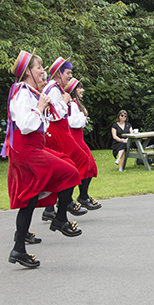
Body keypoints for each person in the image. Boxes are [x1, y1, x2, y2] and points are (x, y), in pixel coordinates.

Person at [4, 50, 82, 268]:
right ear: (28, 72)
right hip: (27, 151)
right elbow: (26, 124)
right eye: (39, 67)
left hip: (32, 148)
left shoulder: (29, 92)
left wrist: (42, 108)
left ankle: (18, 249)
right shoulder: (21, 93)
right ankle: (60, 219)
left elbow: (40, 124)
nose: (43, 71)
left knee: (30, 199)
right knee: (70, 171)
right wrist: (40, 107)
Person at [42, 57, 89, 220]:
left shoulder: (55, 87)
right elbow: (54, 115)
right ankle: (66, 201)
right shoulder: (53, 89)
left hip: (60, 132)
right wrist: (64, 101)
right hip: (57, 133)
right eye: (68, 73)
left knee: (72, 165)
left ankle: (58, 205)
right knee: (79, 162)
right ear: (58, 74)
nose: (70, 76)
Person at [64, 78, 101, 209]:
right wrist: (84, 118)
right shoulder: (72, 105)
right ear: (74, 90)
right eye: (80, 88)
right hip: (75, 138)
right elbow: (73, 122)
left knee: (90, 165)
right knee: (83, 165)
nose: (82, 90)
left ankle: (83, 195)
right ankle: (73, 198)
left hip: (78, 137)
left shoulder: (75, 104)